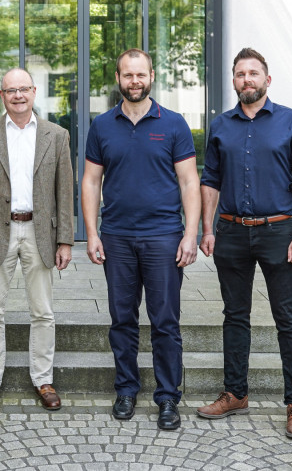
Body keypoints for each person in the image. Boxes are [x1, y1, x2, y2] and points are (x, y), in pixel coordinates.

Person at [197, 47, 292, 440]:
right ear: (233, 80)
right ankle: (235, 393)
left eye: (253, 73)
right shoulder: (220, 126)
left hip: (279, 233)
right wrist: (207, 229)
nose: (246, 80)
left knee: (288, 319)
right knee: (235, 315)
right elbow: (210, 180)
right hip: (230, 231)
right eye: (239, 74)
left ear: (267, 79)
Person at [81, 48, 200, 431]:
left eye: (141, 75)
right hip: (116, 237)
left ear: (152, 76)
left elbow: (189, 182)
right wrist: (91, 233)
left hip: (164, 237)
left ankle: (167, 398)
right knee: (122, 319)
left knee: (165, 321)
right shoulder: (102, 125)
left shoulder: (175, 123)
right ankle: (126, 390)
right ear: (118, 79)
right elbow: (91, 181)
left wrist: (191, 234)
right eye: (128, 75)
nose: (135, 81)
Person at [0, 68, 74, 412]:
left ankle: (43, 379)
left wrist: (65, 240)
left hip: (40, 232)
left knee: (42, 312)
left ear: (34, 91)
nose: (17, 96)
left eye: (23, 89)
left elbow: (64, 191)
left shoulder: (57, 135)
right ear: (1, 95)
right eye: (10, 90)